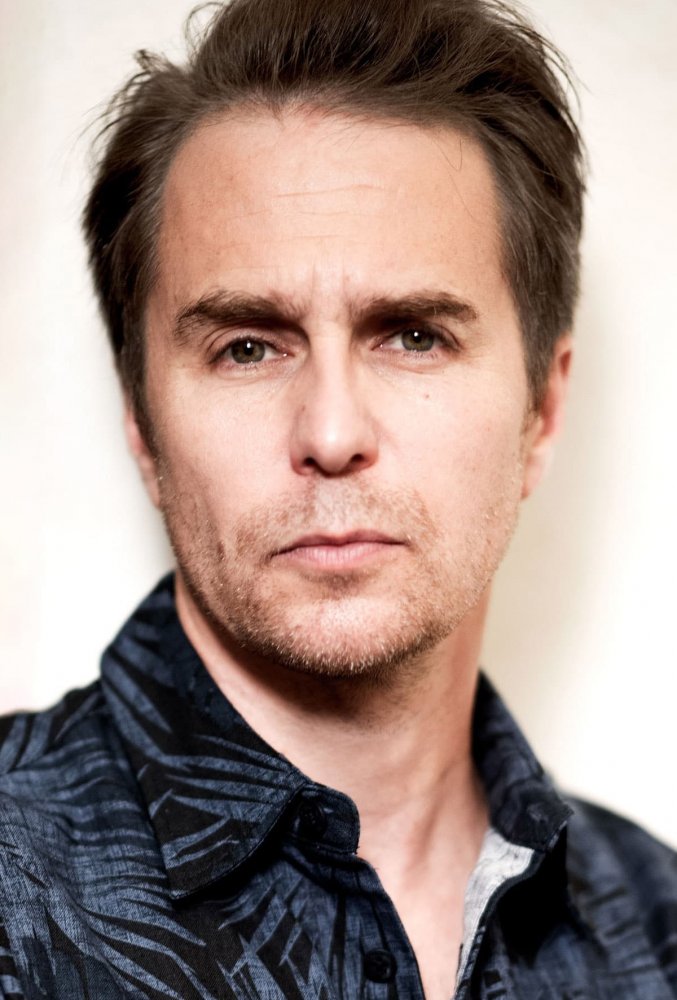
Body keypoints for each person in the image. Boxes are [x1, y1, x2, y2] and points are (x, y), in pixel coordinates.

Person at [0, 0, 675, 997]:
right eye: (246, 347)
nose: (328, 433)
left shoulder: (659, 931)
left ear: (541, 407)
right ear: (141, 421)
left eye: (413, 336)